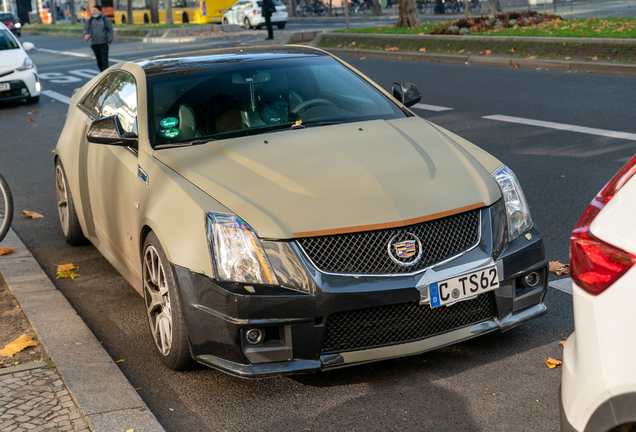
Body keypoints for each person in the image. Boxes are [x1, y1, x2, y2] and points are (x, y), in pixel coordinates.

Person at [82, 5, 114, 72]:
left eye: (95, 10)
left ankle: (105, 76)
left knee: (104, 62)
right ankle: (102, 75)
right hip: (95, 44)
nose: (93, 12)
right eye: (93, 10)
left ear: (99, 11)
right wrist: (85, 34)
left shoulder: (105, 20)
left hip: (104, 44)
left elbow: (111, 31)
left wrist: (109, 41)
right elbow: (85, 29)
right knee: (99, 62)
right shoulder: (90, 20)